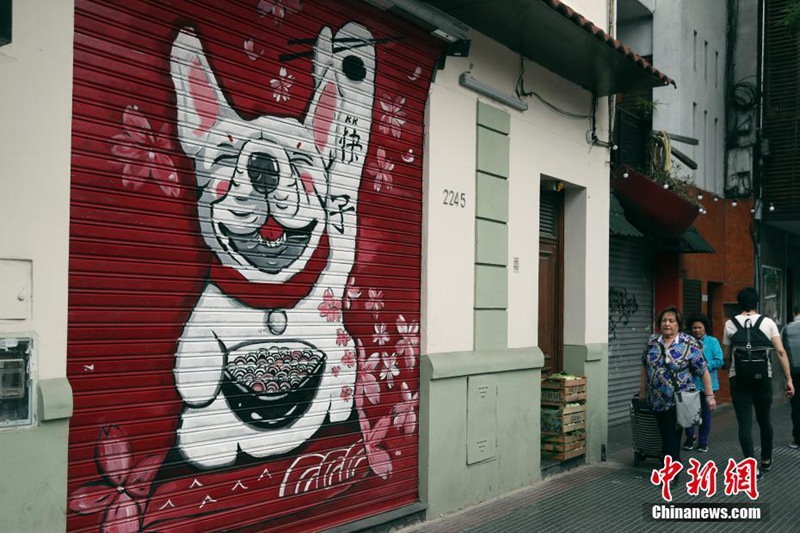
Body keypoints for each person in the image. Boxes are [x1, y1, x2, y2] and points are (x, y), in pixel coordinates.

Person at [723, 287, 795, 474]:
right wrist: (788, 379)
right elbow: (780, 352)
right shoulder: (768, 322)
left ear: (739, 303)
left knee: (744, 423)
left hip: (738, 379)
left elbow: (727, 355)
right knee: (764, 420)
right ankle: (766, 459)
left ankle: (750, 465)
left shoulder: (730, 324)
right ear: (756, 303)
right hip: (763, 379)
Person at [640, 306, 716, 464]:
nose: (667, 324)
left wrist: (709, 396)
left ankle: (671, 469)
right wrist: (642, 391)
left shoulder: (689, 343)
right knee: (665, 434)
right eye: (664, 320)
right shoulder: (652, 341)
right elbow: (644, 366)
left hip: (679, 399)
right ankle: (672, 461)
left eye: (671, 321)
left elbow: (703, 370)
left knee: (670, 434)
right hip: (656, 398)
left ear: (678, 324)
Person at [683, 314, 724, 452]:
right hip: (690, 384)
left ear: (705, 327)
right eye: (694, 328)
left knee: (705, 416)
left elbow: (719, 360)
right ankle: (690, 437)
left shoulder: (713, 342)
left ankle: (703, 441)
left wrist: (704, 365)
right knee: (688, 414)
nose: (697, 330)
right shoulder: (686, 342)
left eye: (699, 327)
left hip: (708, 385)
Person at [781, 305, 800, 449]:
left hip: (794, 373)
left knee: (796, 405)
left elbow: (782, 351)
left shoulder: (786, 329)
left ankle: (797, 439)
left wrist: (786, 377)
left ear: (795, 312)